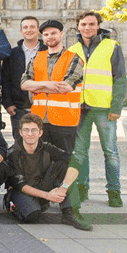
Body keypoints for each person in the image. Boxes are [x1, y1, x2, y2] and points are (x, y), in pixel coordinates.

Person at [68, 11, 126, 208]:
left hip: (104, 107)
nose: (87, 28)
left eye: (91, 24)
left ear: (98, 25)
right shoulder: (73, 49)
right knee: (80, 152)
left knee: (110, 152)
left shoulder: (111, 46)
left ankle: (114, 191)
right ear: (78, 26)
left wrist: (116, 106)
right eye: (83, 24)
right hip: (80, 108)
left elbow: (120, 78)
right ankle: (82, 188)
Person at [3, 113, 91, 231]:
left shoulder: (47, 148)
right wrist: (48, 196)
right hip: (22, 190)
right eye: (26, 130)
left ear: (40, 133)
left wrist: (63, 188)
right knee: (32, 215)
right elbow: (21, 186)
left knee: (65, 165)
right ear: (20, 132)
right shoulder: (13, 154)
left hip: (43, 184)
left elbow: (75, 161)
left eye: (34, 130)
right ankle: (18, 207)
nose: (30, 134)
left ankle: (70, 213)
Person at [21, 20, 83, 154]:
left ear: (61, 34)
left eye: (53, 33)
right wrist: (47, 84)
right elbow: (24, 84)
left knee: (64, 161)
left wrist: (36, 86)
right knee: (41, 160)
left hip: (65, 121)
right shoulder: (37, 58)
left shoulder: (73, 58)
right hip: (39, 120)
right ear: (42, 37)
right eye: (46, 34)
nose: (50, 37)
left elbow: (66, 86)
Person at [2, 16, 45, 144]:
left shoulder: (47, 51)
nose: (29, 30)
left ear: (38, 30)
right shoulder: (12, 54)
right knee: (20, 145)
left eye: (32, 27)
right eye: (25, 27)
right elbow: (6, 80)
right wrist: (8, 103)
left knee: (43, 145)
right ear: (21, 31)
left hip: (43, 107)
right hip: (19, 108)